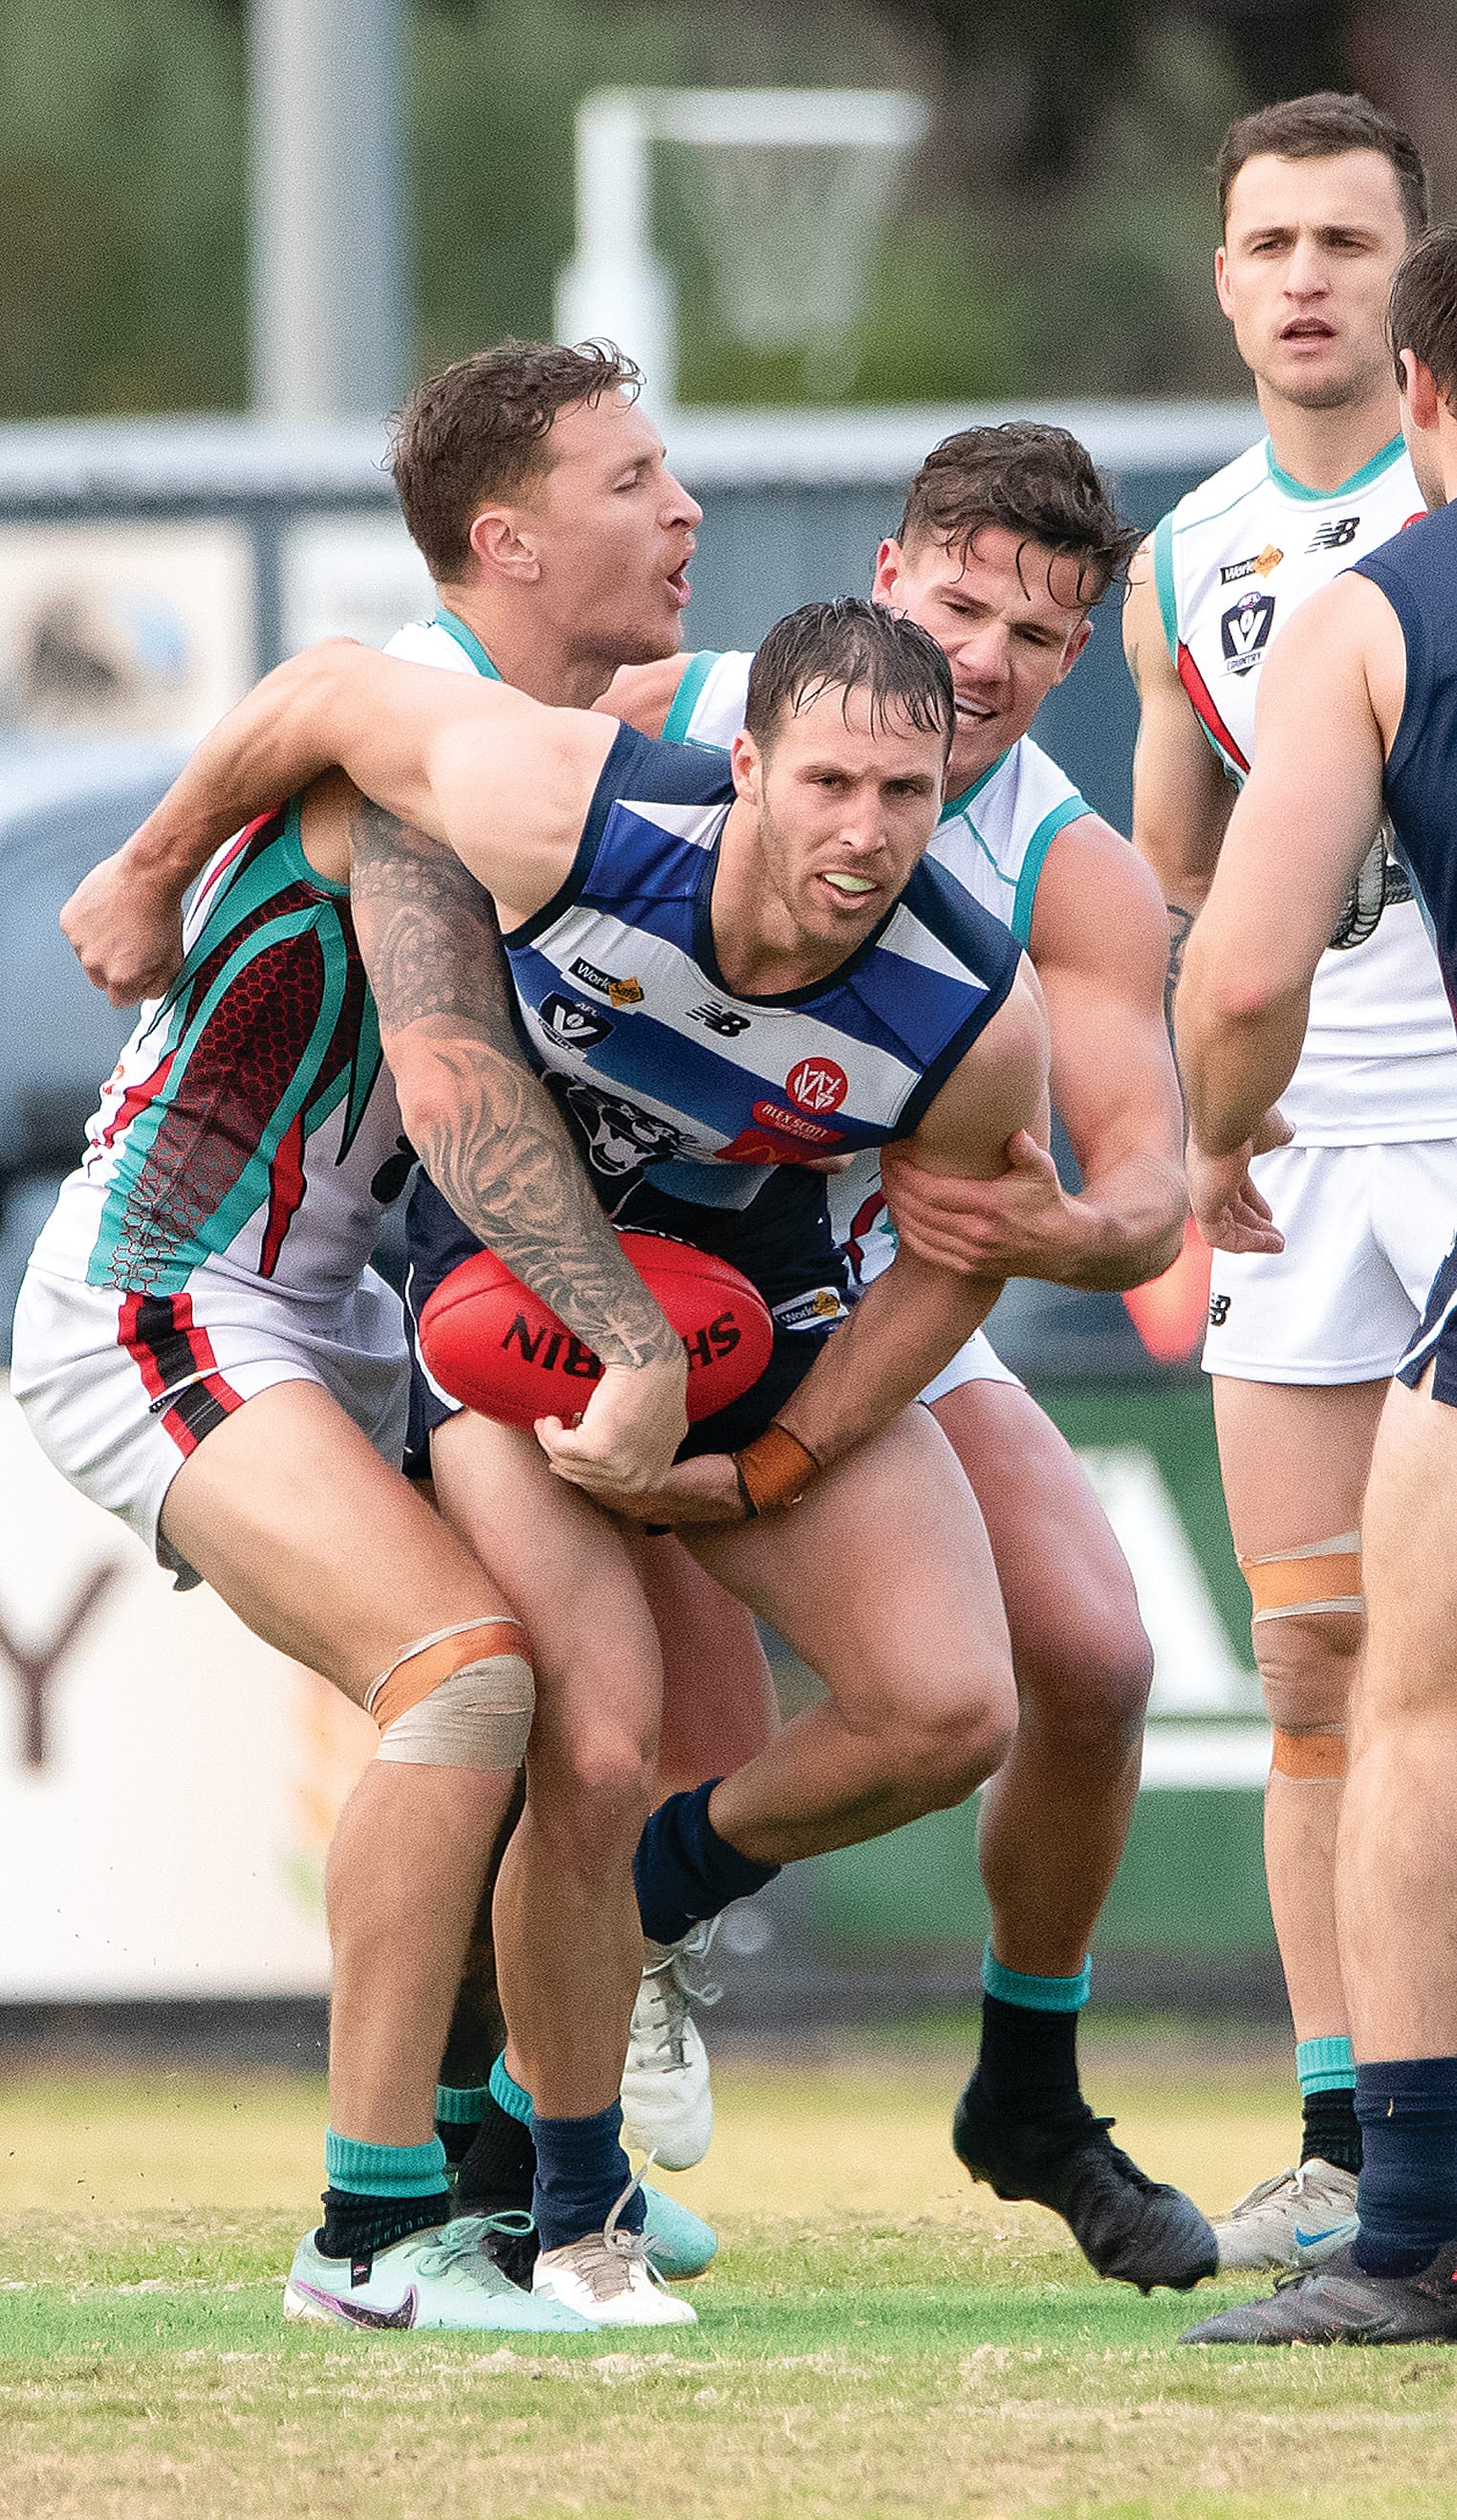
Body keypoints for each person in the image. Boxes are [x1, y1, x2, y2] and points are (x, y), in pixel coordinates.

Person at [128, 593, 1144, 2327]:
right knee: (586, 1739)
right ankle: (575, 2213)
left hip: (771, 1331)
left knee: (952, 1708)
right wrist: (151, 871)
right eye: (826, 781)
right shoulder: (574, 815)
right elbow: (334, 702)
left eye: (905, 796)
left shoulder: (972, 1007)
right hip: (512, 1313)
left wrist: (775, 1463)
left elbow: (963, 1250)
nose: (863, 831)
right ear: (745, 763)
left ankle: (644, 1919)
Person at [15, 347, 715, 2337]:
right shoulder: (407, 741)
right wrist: (628, 1334)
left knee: (594, 1711)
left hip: (337, 1319)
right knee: (465, 1680)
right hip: (169, 1294)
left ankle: (532, 2174)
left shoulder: (499, 720)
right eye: (634, 479)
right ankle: (367, 2236)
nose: (681, 509)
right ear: (508, 538)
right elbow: (455, 1087)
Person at [588, 421, 1207, 2292]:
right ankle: (536, 2142)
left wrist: (1064, 1230)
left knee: (1092, 1659)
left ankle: (1024, 2084)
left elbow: (1145, 1191)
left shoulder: (1062, 872)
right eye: (955, 605)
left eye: (1038, 633)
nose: (984, 660)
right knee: (610, 1702)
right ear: (883, 574)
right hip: (581, 1273)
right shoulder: (670, 716)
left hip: (852, 1307)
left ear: (1079, 654)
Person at [1122, 92, 1457, 2273]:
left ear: (1411, 292)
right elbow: (1178, 875)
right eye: (1277, 240)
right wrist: (1206, 1126)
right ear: (1227, 280)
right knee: (1322, 1653)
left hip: (1450, 1116)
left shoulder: (1406, 571)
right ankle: (1351, 2128)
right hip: (1308, 1137)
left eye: (1353, 236)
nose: (1312, 272)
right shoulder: (1192, 557)